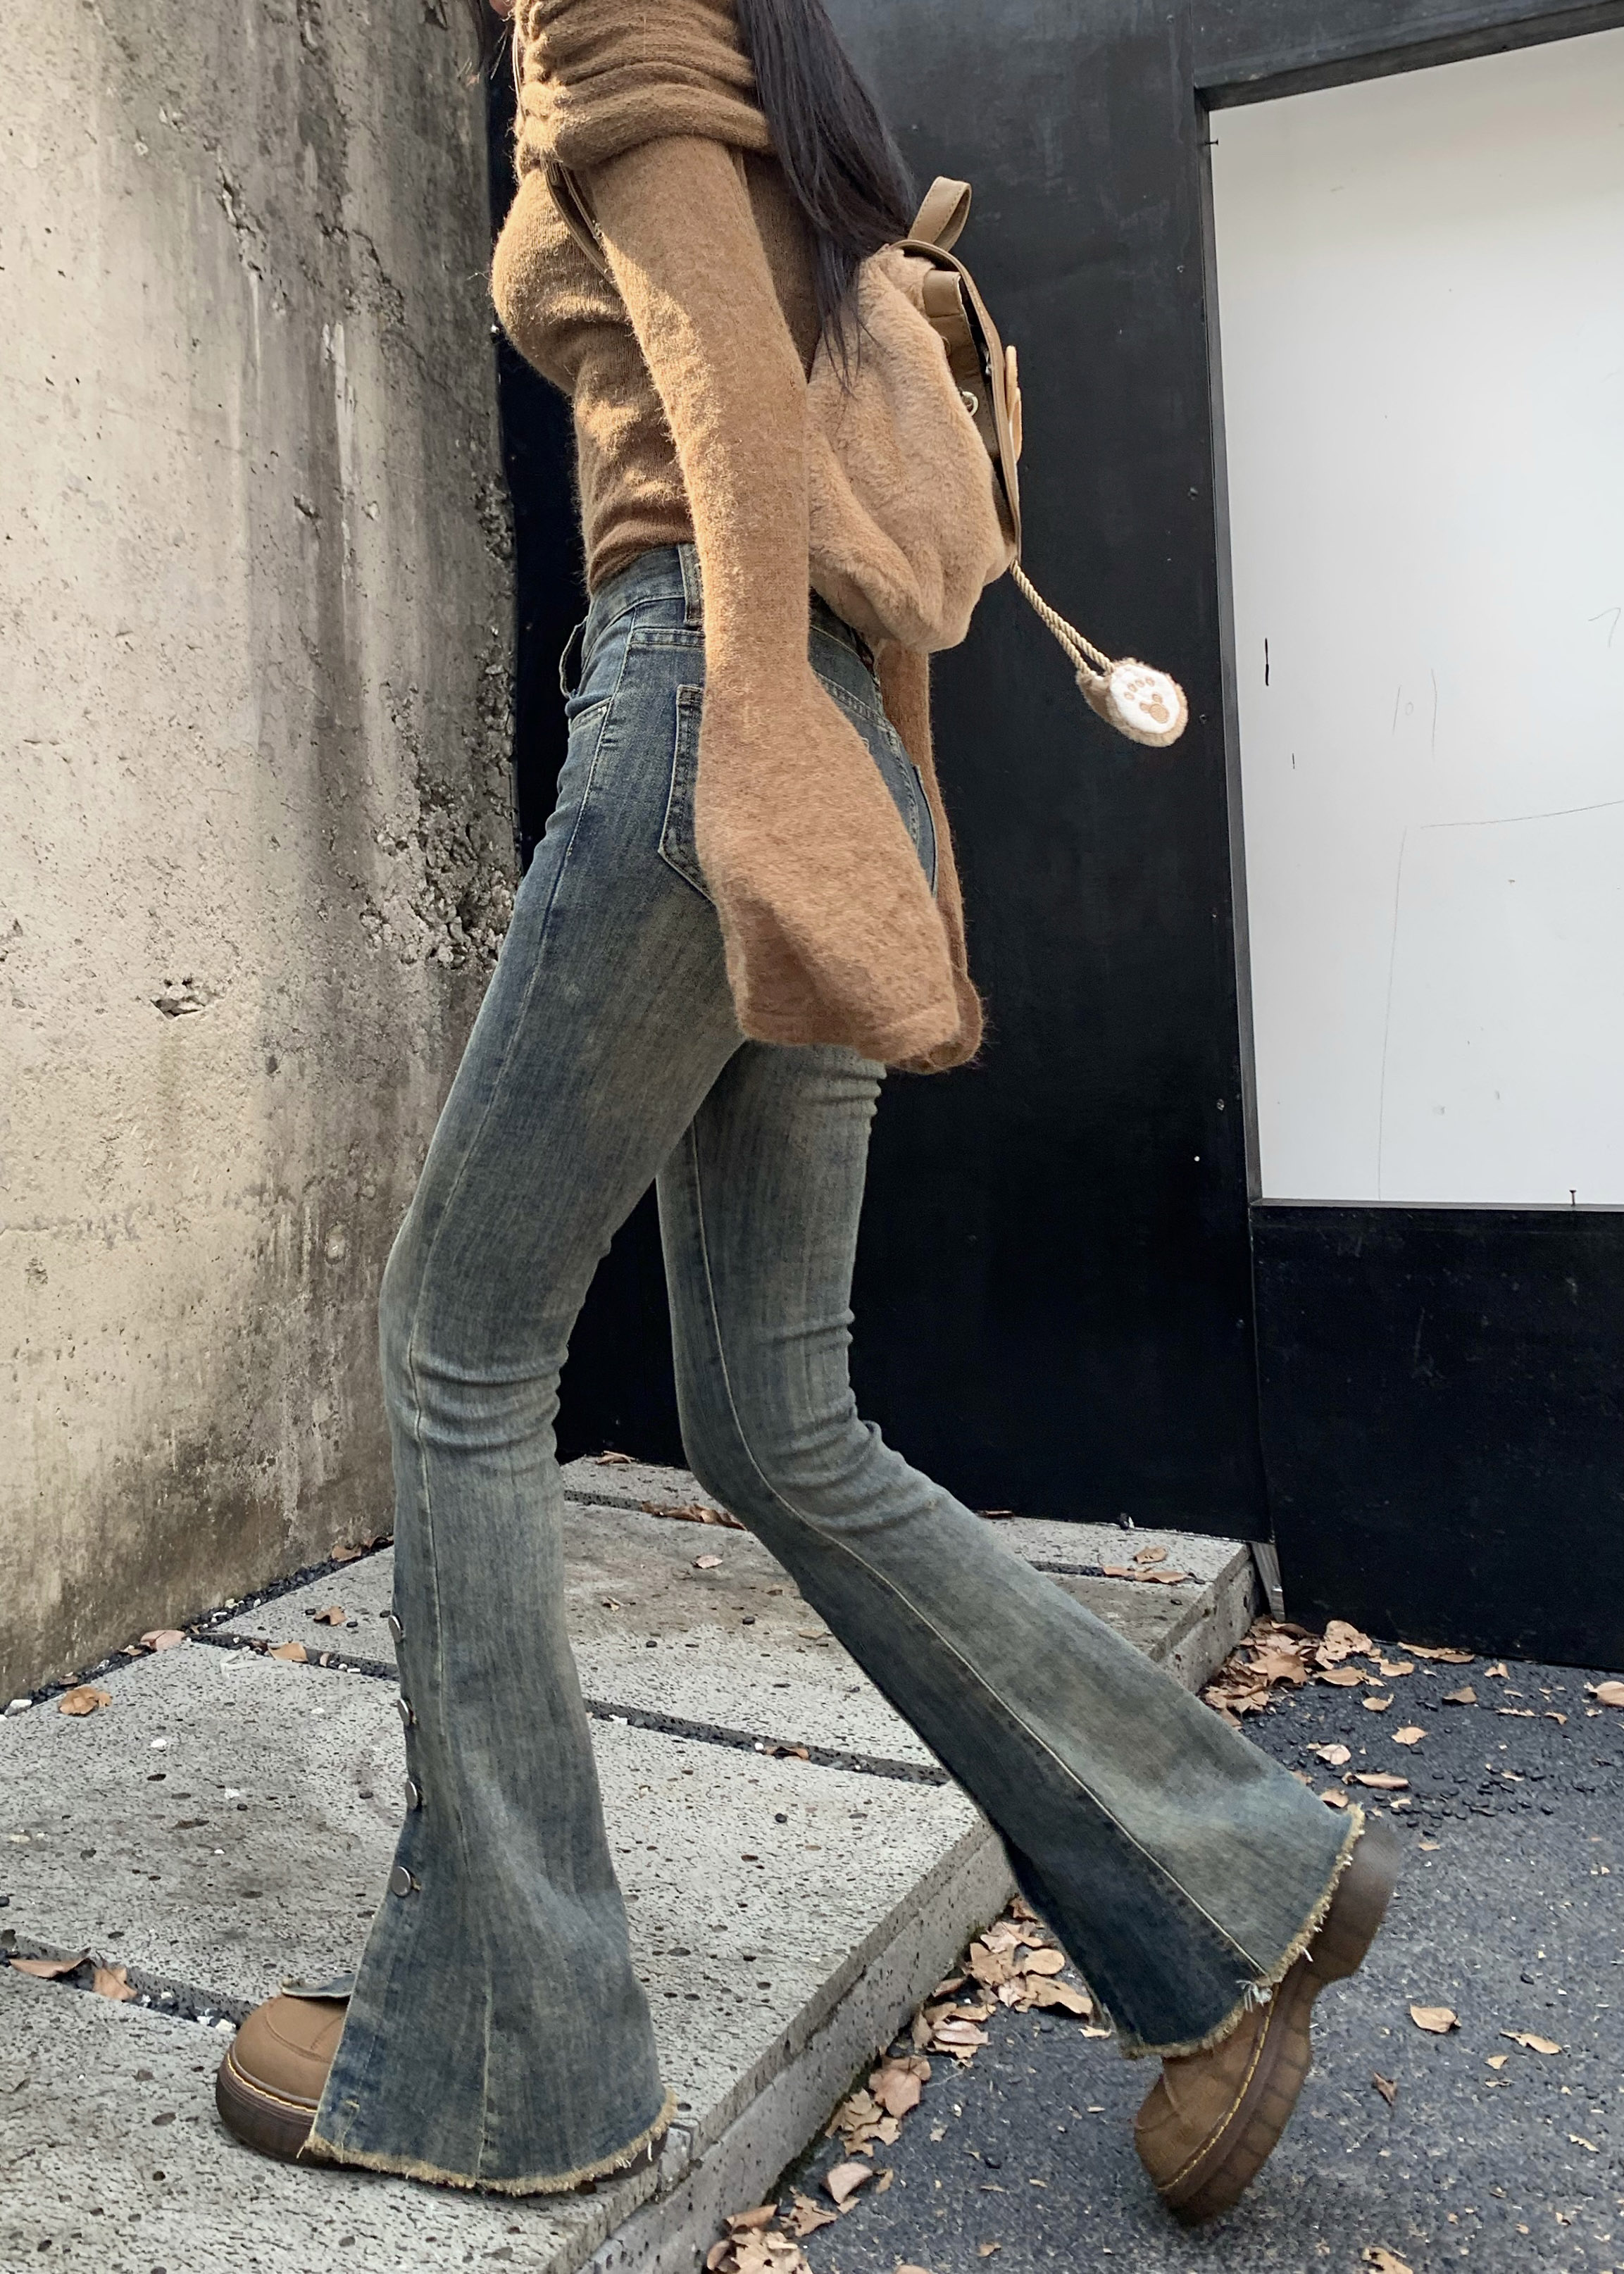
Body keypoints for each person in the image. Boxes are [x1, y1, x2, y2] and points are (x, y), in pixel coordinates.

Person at [213, 0, 1399, 2227]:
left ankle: (510, 2050)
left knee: (458, 1350)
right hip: (814, 728)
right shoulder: (782, 68)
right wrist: (856, 806)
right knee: (778, 1417)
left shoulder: (608, 6)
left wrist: (748, 759)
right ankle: (1232, 1876)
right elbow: (851, 447)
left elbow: (739, 419)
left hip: (714, 708)